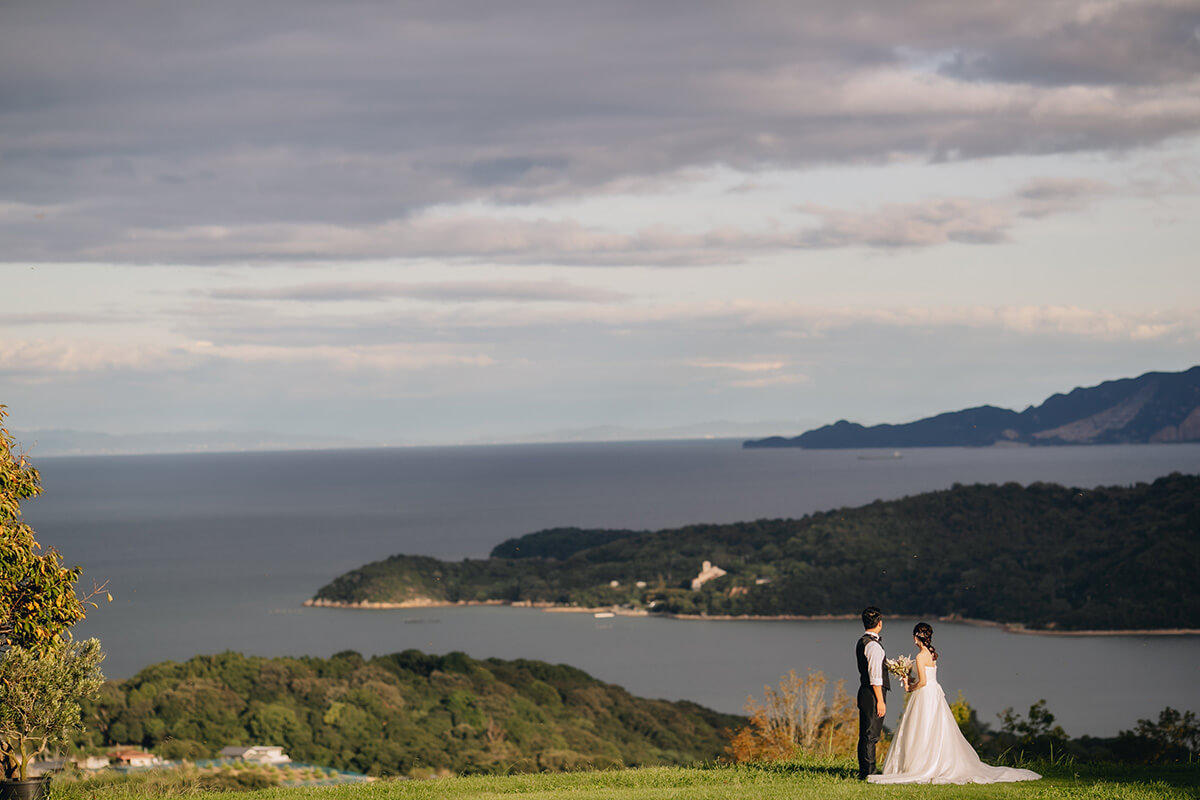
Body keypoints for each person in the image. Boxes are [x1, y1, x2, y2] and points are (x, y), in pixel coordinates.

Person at [868, 623, 1041, 785]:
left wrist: (908, 685)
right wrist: (908, 676)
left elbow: (922, 682)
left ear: (915, 637)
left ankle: (920, 765)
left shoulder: (921, 656)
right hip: (934, 693)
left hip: (925, 694)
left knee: (921, 728)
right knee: (934, 728)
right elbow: (928, 676)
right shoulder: (932, 654)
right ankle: (934, 761)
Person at [855, 606, 888, 780]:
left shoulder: (862, 641)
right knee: (870, 735)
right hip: (872, 694)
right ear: (880, 623)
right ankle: (868, 773)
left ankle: (866, 771)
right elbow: (875, 677)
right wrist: (880, 701)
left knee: (867, 735)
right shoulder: (873, 646)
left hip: (865, 692)